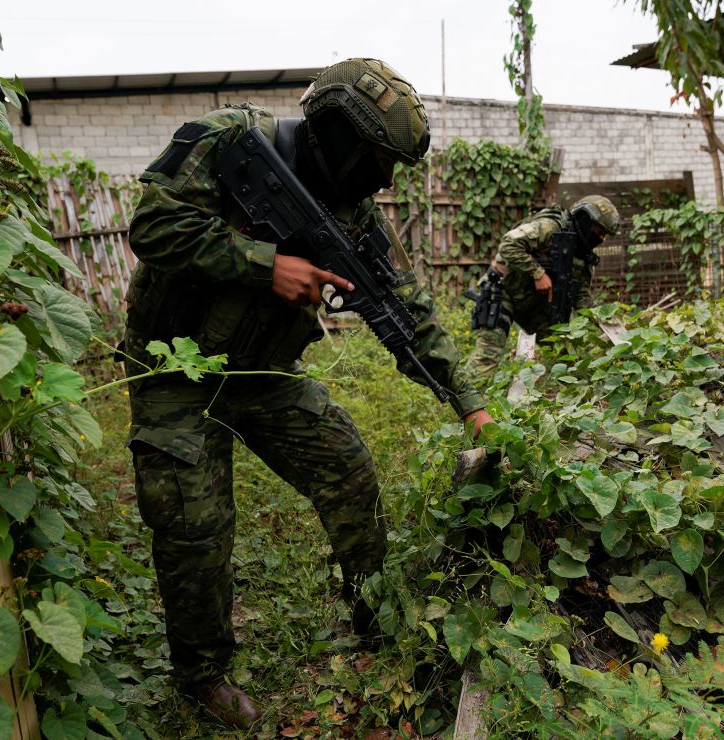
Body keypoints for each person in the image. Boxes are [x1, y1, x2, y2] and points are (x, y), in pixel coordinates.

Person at [121, 58, 492, 728]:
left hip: (264, 375)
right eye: (378, 158)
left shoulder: (353, 221)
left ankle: (373, 616)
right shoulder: (229, 139)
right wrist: (264, 266)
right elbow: (151, 224)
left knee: (347, 466)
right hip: (174, 374)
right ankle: (202, 673)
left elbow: (409, 312)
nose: (384, 178)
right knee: (194, 526)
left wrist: (471, 403)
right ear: (339, 133)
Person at [463, 195, 621, 385]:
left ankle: (569, 407)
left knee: (565, 355)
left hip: (535, 305)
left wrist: (609, 325)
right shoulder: (549, 227)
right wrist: (537, 273)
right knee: (487, 355)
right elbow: (509, 244)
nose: (601, 238)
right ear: (586, 220)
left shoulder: (583, 257)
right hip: (502, 291)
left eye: (605, 235)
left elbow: (582, 296)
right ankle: (465, 403)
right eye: (599, 231)